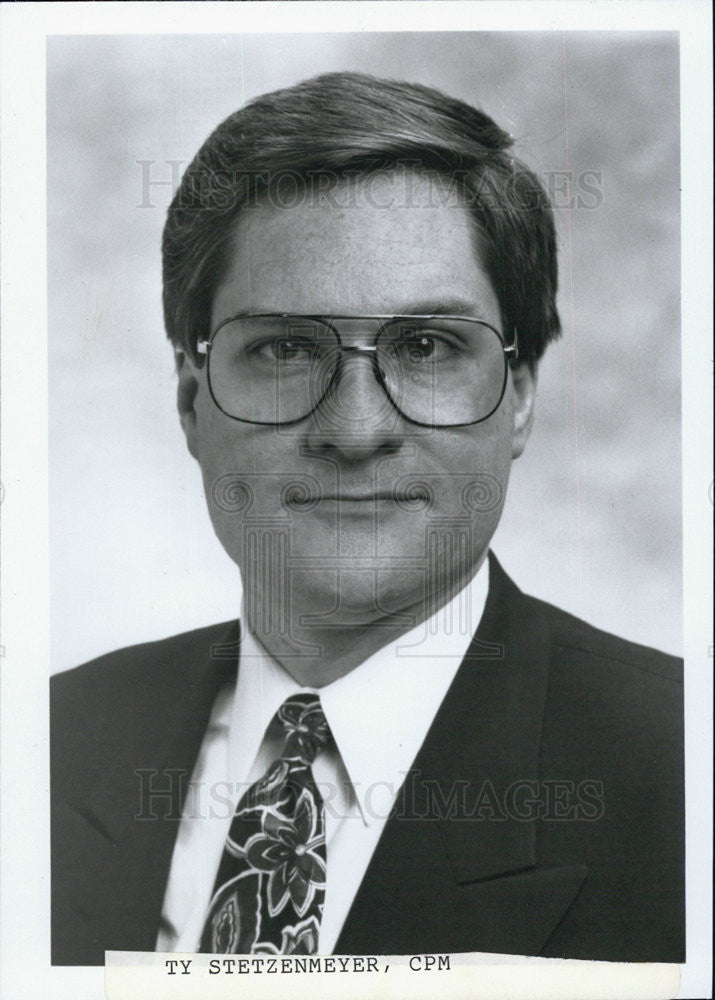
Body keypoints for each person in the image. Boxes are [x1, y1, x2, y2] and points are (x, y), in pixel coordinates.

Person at [51, 72, 684, 965]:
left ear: (520, 401)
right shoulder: (46, 741)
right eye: (284, 347)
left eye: (426, 348)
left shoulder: (680, 772)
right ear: (192, 402)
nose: (355, 429)